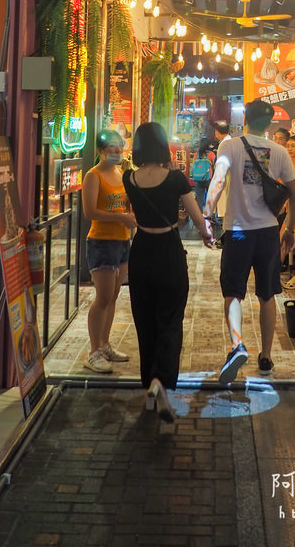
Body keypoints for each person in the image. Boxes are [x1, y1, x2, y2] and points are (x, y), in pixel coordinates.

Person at [123, 122, 215, 421]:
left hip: (140, 252)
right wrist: (207, 235)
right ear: (163, 145)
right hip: (168, 251)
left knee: (145, 321)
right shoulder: (175, 178)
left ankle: (150, 383)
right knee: (170, 321)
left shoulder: (129, 178)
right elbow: (196, 215)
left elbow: (131, 211)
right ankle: (161, 383)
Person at [204, 98, 295, 382]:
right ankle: (266, 357)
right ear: (269, 123)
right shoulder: (280, 151)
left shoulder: (229, 146)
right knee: (267, 295)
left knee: (233, 293)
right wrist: (290, 229)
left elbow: (218, 181)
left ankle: (237, 346)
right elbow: (294, 195)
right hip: (269, 232)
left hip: (238, 232)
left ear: (245, 117)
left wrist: (206, 217)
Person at [82, 129, 137, 373]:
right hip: (101, 242)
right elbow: (90, 212)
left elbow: (127, 207)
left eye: (119, 147)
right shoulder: (93, 176)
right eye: (111, 148)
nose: (116, 152)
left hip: (122, 241)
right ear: (101, 151)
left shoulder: (121, 173)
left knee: (113, 296)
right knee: (102, 297)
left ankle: (104, 344)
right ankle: (93, 352)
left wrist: (130, 217)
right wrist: (122, 217)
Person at [190, 136, 215, 216]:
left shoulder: (196, 154)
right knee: (210, 198)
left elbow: (194, 165)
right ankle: (209, 215)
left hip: (197, 179)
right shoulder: (211, 154)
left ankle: (199, 216)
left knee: (199, 199)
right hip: (208, 179)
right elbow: (215, 165)